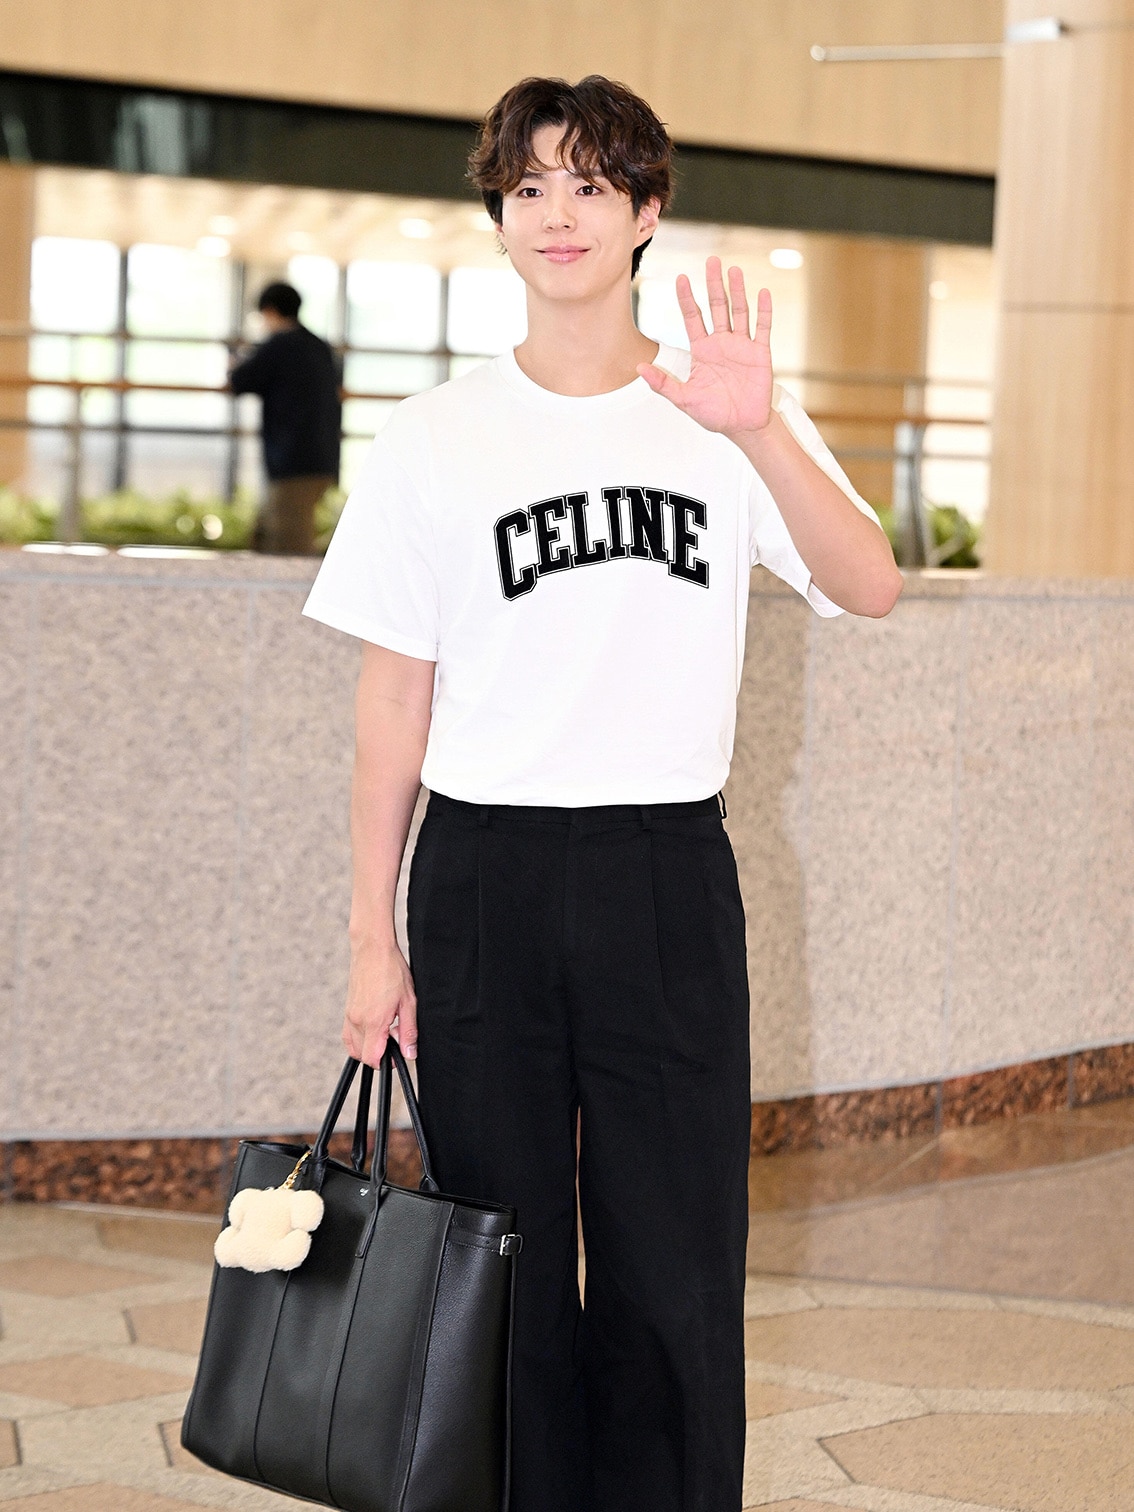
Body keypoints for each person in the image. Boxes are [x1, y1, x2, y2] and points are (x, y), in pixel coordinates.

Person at [302, 75, 901, 1512]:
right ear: (498, 216)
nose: (556, 213)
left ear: (646, 210)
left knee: (673, 1254)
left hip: (661, 872)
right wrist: (371, 935)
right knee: (494, 1252)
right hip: (483, 876)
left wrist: (759, 431)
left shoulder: (723, 408)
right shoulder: (434, 433)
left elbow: (871, 584)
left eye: (588, 184)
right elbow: (392, 701)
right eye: (528, 188)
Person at [230, 281, 342, 554]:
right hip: (322, 458)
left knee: (290, 547)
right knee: (272, 535)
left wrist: (236, 362)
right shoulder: (319, 346)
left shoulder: (280, 345)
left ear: (269, 311)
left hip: (292, 463)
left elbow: (240, 380)